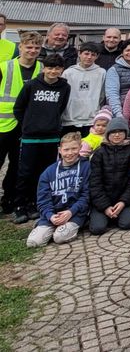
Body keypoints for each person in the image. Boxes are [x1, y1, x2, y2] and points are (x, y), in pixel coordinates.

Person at [12, 54, 71, 223]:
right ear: (44, 68)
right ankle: (20, 205)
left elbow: (61, 108)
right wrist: (28, 126)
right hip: (31, 137)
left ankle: (35, 203)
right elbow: (19, 108)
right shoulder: (31, 85)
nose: (53, 71)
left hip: (51, 137)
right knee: (25, 172)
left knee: (44, 173)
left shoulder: (64, 87)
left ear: (62, 70)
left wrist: (51, 124)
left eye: (57, 68)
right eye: (50, 68)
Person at [0, 31, 43, 215]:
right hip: (3, 124)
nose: (32, 50)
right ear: (21, 47)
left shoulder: (42, 68)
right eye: (29, 46)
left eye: (36, 47)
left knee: (17, 166)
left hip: (28, 126)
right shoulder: (4, 67)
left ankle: (9, 198)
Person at [27, 131, 90, 248]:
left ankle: (79, 224)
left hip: (75, 213)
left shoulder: (87, 167)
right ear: (60, 150)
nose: (70, 153)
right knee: (33, 243)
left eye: (74, 149)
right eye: (66, 149)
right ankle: (48, 228)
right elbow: (42, 200)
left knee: (59, 237)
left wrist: (71, 212)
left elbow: (86, 196)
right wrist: (50, 216)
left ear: (80, 148)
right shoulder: (48, 172)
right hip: (53, 214)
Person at [87, 116, 130, 234]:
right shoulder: (99, 153)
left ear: (125, 133)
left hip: (122, 199)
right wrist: (105, 206)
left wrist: (123, 202)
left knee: (127, 224)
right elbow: (94, 183)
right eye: (113, 132)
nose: (117, 135)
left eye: (120, 132)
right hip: (102, 200)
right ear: (108, 134)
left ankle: (120, 213)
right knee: (97, 228)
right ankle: (105, 215)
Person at [61, 41, 107, 137]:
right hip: (70, 120)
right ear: (79, 54)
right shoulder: (68, 73)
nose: (89, 57)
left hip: (92, 121)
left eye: (93, 55)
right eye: (86, 53)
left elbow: (103, 96)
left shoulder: (102, 73)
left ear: (97, 56)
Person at [105, 38, 130, 116]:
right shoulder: (114, 70)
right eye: (127, 50)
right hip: (122, 111)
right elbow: (112, 94)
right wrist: (119, 114)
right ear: (122, 52)